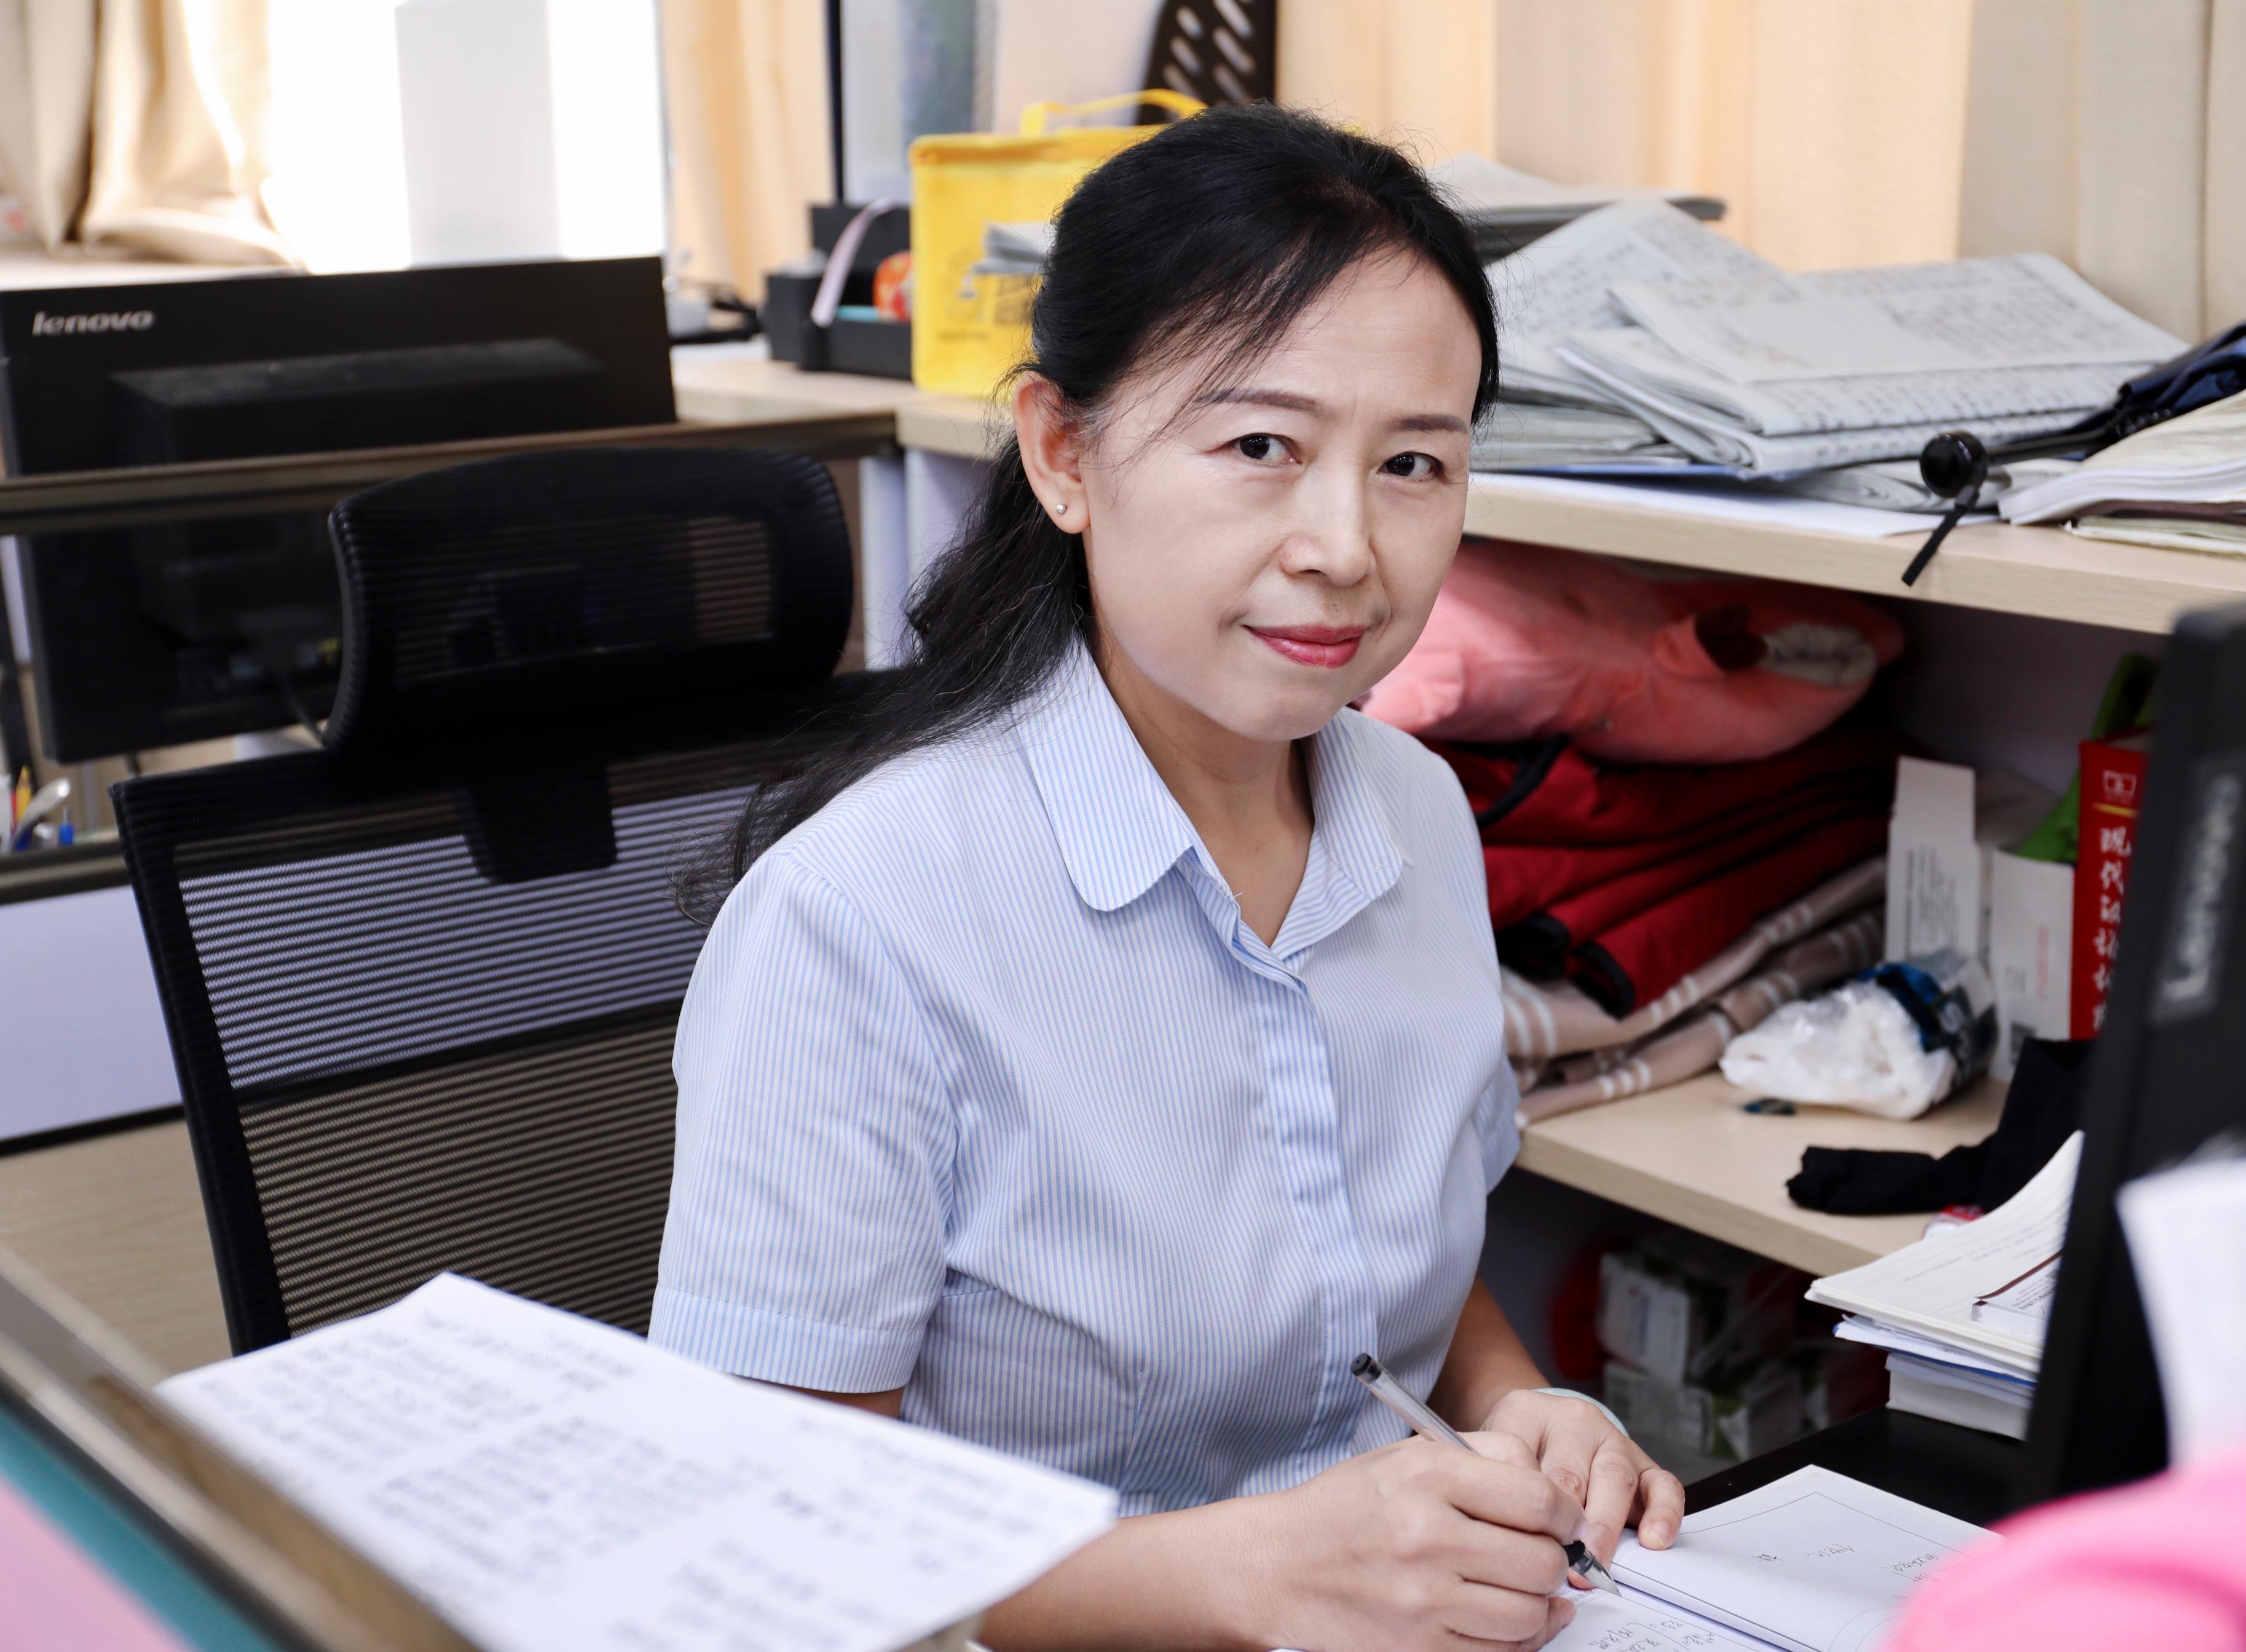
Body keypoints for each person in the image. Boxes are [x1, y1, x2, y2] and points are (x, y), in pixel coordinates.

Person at [654, 104, 1682, 1652]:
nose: (1345, 546)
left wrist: (1520, 1409)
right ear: (1064, 453)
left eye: (1414, 462)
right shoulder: (858, 919)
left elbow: (1398, 1268)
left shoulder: (1420, 810)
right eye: (1263, 446)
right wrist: (1250, 1574)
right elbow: (779, 1532)